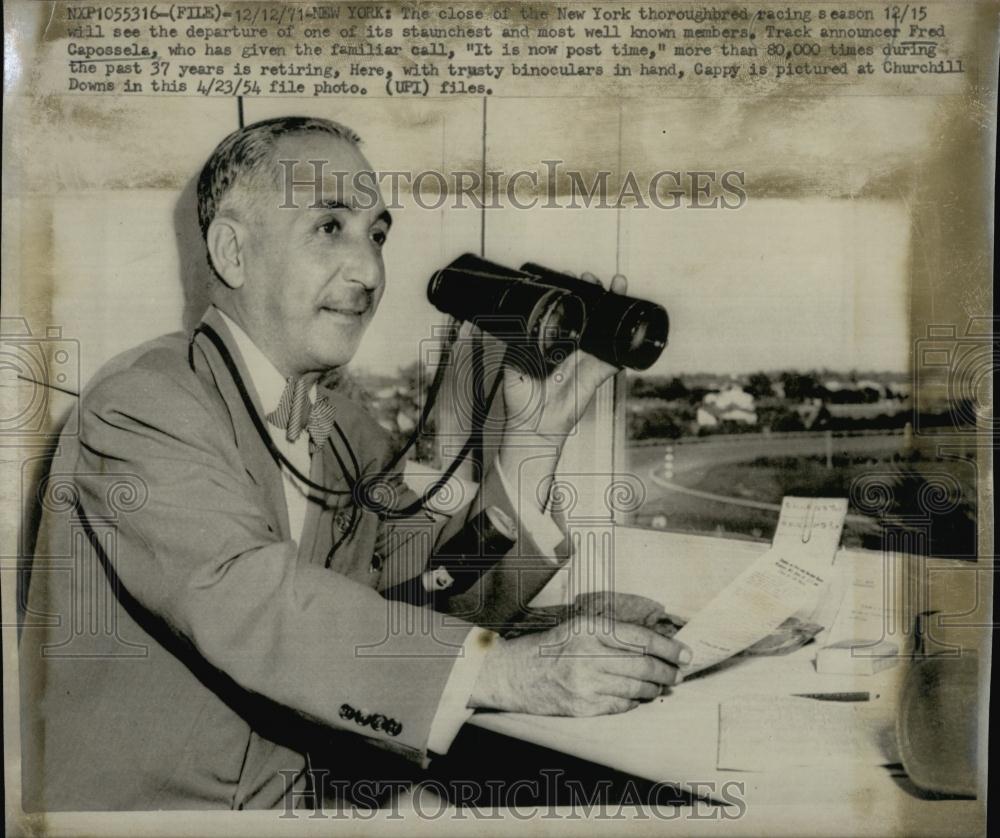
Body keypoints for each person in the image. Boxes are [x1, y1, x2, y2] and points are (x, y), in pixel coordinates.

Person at [19, 116, 688, 811]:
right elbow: (254, 601)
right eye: (329, 227)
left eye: (376, 235)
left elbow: (424, 587)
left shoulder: (341, 421)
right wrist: (509, 674)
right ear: (232, 251)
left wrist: (532, 448)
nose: (369, 271)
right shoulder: (139, 404)